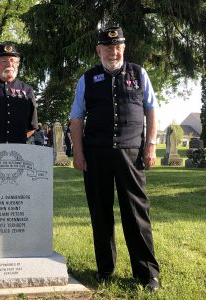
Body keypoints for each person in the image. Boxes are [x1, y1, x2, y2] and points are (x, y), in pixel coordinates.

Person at [69, 24, 160, 292]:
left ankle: (147, 274)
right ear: (99, 50)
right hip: (96, 154)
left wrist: (151, 145)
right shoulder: (87, 78)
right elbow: (76, 118)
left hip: (131, 153)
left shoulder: (138, 73)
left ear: (124, 47)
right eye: (108, 47)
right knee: (101, 212)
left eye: (118, 46)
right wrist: (78, 152)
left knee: (136, 213)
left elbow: (151, 109)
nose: (113, 51)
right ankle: (105, 269)